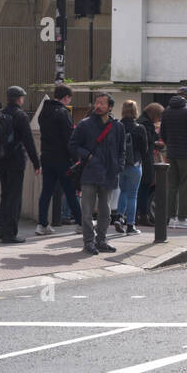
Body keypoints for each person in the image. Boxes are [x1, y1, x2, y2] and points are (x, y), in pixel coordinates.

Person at [69, 91, 125, 254]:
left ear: (110, 107)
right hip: (89, 172)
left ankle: (101, 240)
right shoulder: (85, 124)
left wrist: (119, 166)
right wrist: (88, 155)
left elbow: (122, 149)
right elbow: (73, 145)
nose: (98, 106)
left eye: (102, 103)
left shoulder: (118, 126)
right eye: (97, 103)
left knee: (105, 211)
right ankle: (88, 242)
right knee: (86, 210)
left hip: (109, 173)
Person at [0, 85, 40, 244]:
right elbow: (28, 141)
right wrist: (36, 162)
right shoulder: (20, 116)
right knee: (14, 197)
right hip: (15, 161)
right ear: (19, 99)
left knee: (5, 195)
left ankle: (0, 228)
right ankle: (9, 233)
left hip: (0, 161)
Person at [36, 85, 83, 236]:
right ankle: (81, 224)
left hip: (47, 156)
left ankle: (42, 224)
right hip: (62, 158)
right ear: (66, 97)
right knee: (70, 191)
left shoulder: (44, 112)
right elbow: (70, 139)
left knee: (46, 192)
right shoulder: (63, 113)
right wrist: (76, 159)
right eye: (69, 98)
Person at [160, 86, 187, 229]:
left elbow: (162, 134)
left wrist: (170, 145)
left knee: (172, 186)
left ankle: (171, 218)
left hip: (171, 155)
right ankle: (183, 218)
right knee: (185, 186)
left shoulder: (166, 111)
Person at [115, 100, 147, 235]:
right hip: (135, 165)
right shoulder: (139, 128)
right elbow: (144, 149)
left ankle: (119, 217)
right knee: (133, 195)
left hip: (121, 165)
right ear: (135, 111)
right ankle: (130, 226)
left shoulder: (117, 126)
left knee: (123, 191)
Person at [135, 102, 163, 226]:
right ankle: (143, 215)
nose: (159, 119)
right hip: (145, 160)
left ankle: (138, 215)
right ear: (154, 114)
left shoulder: (142, 121)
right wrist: (156, 141)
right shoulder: (146, 123)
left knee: (141, 189)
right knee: (144, 188)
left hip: (142, 159)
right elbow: (150, 139)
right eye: (159, 116)